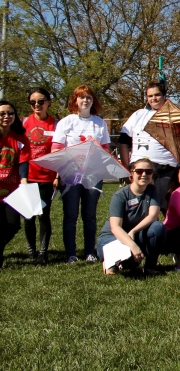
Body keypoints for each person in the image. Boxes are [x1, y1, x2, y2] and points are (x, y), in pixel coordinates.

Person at [52, 85, 111, 264]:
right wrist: (58, 175)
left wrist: (96, 147)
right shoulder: (66, 122)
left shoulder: (100, 123)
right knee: (70, 215)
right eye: (81, 97)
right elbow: (56, 149)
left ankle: (89, 251)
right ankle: (70, 253)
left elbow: (106, 150)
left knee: (90, 215)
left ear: (93, 101)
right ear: (75, 100)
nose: (85, 101)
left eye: (89, 98)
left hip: (93, 176)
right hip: (70, 175)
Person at [97, 158, 166, 275]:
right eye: (139, 171)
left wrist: (133, 231)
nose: (144, 174)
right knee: (125, 255)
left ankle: (150, 267)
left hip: (134, 235)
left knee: (158, 227)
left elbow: (153, 216)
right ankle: (111, 262)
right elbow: (115, 228)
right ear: (132, 173)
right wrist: (132, 245)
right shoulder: (120, 195)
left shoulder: (152, 190)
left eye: (148, 172)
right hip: (113, 238)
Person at [119, 82, 179, 211]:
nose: (153, 98)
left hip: (166, 169)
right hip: (140, 169)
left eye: (157, 95)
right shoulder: (138, 115)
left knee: (169, 210)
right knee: (141, 210)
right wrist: (125, 168)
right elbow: (123, 141)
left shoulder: (175, 116)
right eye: (150, 96)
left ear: (164, 95)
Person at [21, 87, 56, 264]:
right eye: (33, 102)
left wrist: (57, 176)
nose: (37, 105)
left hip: (46, 178)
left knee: (43, 215)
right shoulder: (23, 123)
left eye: (41, 101)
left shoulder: (55, 124)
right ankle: (31, 251)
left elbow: (59, 152)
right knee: (28, 216)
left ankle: (43, 252)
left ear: (48, 102)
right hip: (27, 177)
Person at [0, 101, 31, 270]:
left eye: (10, 113)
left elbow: (23, 161)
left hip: (11, 191)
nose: (7, 117)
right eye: (2, 114)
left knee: (13, 225)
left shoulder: (20, 136)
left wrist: (24, 180)